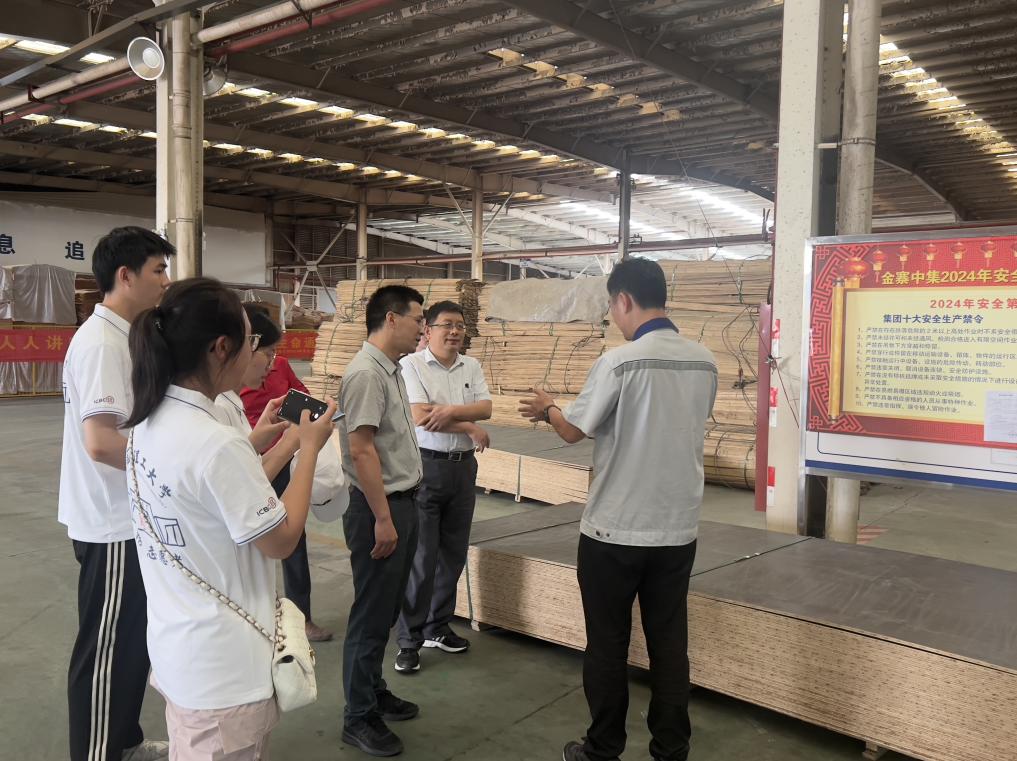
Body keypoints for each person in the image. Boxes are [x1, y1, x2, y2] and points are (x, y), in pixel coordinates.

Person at [124, 278, 335, 760]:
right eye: (251, 339)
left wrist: (287, 442)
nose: (258, 353)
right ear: (222, 348)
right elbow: (280, 539)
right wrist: (309, 450)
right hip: (225, 668)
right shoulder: (214, 440)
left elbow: (232, 497)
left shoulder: (150, 419)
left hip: (182, 648)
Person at [519, 258, 718, 761]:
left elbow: (573, 430)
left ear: (624, 300)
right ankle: (671, 749)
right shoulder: (705, 362)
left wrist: (548, 408)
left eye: (612, 306)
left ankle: (603, 749)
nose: (613, 316)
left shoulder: (620, 362)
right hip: (677, 530)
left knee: (607, 644)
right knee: (669, 644)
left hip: (614, 531)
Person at [58, 226, 174, 761]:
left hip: (129, 517)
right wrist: (171, 467)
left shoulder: (123, 335)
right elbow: (102, 442)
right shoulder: (102, 344)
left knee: (130, 644)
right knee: (105, 652)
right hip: (111, 523)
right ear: (125, 276)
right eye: (158, 270)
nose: (165, 282)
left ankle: (123, 740)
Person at [338, 285, 425, 757]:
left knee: (386, 610)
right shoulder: (366, 374)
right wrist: (383, 518)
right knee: (371, 615)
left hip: (400, 504)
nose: (422, 329)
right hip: (380, 509)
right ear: (391, 318)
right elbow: (361, 449)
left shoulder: (390, 369)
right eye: (418, 320)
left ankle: (372, 691)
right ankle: (358, 717)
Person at [394, 300, 492, 673]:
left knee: (453, 553)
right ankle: (409, 639)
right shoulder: (411, 365)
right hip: (426, 467)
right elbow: (420, 416)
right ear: (429, 329)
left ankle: (437, 626)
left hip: (463, 469)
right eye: (446, 325)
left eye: (460, 326)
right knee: (422, 557)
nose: (454, 332)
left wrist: (449, 412)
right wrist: (467, 425)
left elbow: (486, 408)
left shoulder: (471, 366)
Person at [237, 305, 333, 642]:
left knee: (293, 539)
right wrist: (298, 443)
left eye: (274, 352)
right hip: (257, 462)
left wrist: (307, 421)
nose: (272, 361)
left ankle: (300, 616)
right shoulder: (223, 408)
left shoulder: (278, 366)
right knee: (262, 541)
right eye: (267, 351)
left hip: (276, 461)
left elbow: (300, 395)